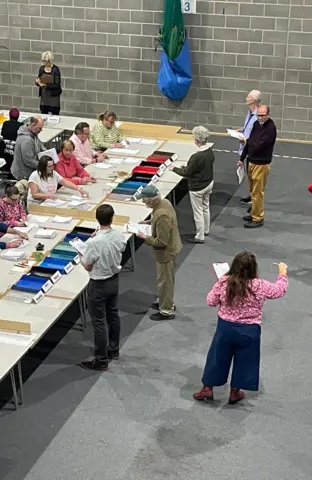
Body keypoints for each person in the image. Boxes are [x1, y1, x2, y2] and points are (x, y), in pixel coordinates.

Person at [194, 253, 289, 405]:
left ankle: (207, 388)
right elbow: (279, 290)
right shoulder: (260, 285)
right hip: (249, 330)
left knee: (217, 357)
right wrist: (282, 272)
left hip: (225, 328)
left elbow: (210, 301)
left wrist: (219, 284)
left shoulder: (224, 282)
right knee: (245, 361)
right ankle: (235, 392)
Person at [80, 204, 126, 371]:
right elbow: (122, 247)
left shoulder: (94, 243)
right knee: (113, 315)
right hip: (114, 280)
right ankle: (113, 349)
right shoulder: (119, 235)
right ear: (112, 218)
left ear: (96, 219)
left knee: (99, 322)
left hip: (99, 284)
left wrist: (81, 255)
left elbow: (87, 265)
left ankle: (101, 360)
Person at [134, 186, 182, 321]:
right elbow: (159, 221)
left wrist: (145, 238)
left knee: (165, 282)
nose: (143, 202)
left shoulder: (161, 214)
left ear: (151, 200)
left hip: (166, 254)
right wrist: (148, 222)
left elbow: (161, 242)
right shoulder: (164, 203)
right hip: (172, 247)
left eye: (144, 200)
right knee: (166, 281)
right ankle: (166, 302)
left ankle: (166, 310)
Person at [172, 126, 215, 244]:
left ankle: (200, 236)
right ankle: (206, 229)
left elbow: (187, 173)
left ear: (197, 140)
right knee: (206, 207)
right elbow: (197, 168)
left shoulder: (196, 156)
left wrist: (174, 169)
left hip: (198, 187)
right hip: (209, 182)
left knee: (198, 212)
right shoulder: (209, 152)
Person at [239, 104, 277, 229]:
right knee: (252, 190)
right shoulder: (256, 124)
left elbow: (258, 145)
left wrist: (246, 141)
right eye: (258, 115)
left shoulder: (271, 128)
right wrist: (242, 158)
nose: (260, 118)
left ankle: (258, 217)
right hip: (251, 161)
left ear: (268, 115)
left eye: (262, 115)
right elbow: (251, 143)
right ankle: (254, 212)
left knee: (257, 192)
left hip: (261, 164)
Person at [238, 90, 261, 206]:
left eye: (249, 97)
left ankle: (255, 199)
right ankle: (251, 194)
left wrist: (245, 140)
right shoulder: (249, 112)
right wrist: (242, 130)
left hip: (253, 150)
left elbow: (257, 134)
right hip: (246, 148)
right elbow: (249, 127)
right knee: (249, 174)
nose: (246, 98)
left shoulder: (258, 116)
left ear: (254, 101)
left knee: (253, 176)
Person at [12, 116, 45, 180]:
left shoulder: (32, 132)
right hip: (24, 174)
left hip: (28, 170)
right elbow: (28, 161)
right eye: (39, 128)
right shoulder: (27, 140)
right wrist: (43, 165)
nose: (41, 130)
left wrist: (48, 153)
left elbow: (39, 144)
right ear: (33, 125)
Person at [35, 51, 62, 115]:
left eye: (45, 61)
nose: (44, 63)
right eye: (43, 61)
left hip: (53, 97)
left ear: (50, 60)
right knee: (43, 113)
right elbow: (39, 79)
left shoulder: (55, 69)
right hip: (44, 97)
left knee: (55, 114)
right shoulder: (41, 68)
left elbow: (57, 85)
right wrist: (37, 82)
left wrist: (45, 85)